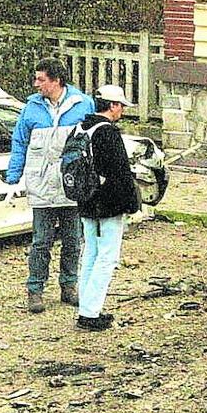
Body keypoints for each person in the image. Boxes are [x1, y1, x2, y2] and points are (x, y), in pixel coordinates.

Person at [5, 58, 95, 314]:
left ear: (56, 80)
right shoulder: (31, 108)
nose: (36, 84)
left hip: (71, 185)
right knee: (41, 241)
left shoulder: (82, 104)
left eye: (41, 79)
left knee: (73, 240)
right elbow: (19, 141)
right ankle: (35, 290)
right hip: (42, 184)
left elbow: (91, 140)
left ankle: (69, 286)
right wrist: (14, 176)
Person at [74, 85, 140, 332]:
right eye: (120, 105)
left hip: (86, 199)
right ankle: (90, 313)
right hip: (108, 203)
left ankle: (87, 307)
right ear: (112, 106)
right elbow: (120, 173)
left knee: (90, 253)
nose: (122, 110)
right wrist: (131, 204)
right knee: (107, 257)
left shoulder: (81, 128)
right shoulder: (108, 133)